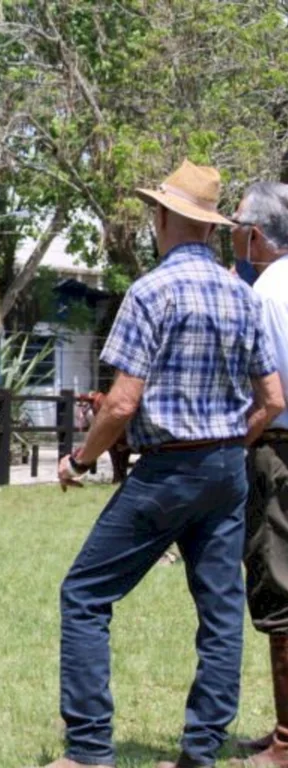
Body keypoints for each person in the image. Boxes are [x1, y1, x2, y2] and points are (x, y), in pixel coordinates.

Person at [41, 159, 285, 768]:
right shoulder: (241, 293)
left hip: (168, 470)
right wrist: (231, 440)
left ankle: (90, 749)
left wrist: (79, 458)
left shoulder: (151, 292)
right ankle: (201, 751)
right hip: (228, 468)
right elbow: (274, 399)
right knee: (221, 610)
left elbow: (122, 401)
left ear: (165, 218)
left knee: (85, 595)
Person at [227, 182, 288, 767]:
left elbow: (269, 396)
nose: (236, 238)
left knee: (278, 588)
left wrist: (232, 443)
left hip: (279, 450)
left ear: (259, 236)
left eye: (240, 228)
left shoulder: (265, 292)